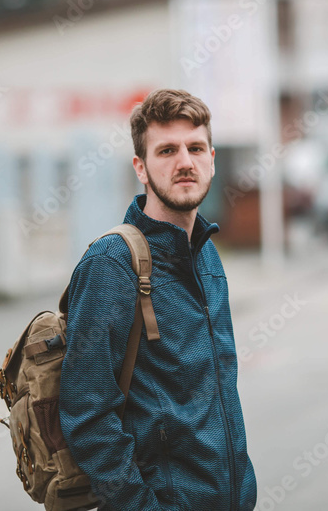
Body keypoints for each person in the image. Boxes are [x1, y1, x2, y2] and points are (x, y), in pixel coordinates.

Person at [59, 88, 257, 510]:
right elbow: (87, 416)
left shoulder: (206, 254)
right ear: (142, 168)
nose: (185, 162)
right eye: (166, 150)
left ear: (212, 159)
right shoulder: (112, 264)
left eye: (195, 148)